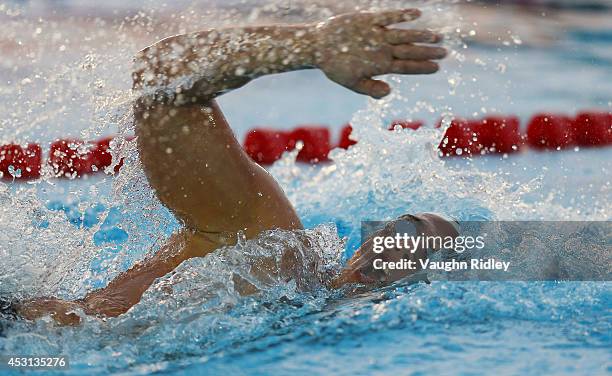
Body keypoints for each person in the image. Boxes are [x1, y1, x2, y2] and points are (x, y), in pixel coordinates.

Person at [12, 9, 455, 326]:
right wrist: (311, 46)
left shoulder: (292, 301)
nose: (395, 243)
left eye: (417, 243)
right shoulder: (273, 245)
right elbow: (162, 74)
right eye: (406, 227)